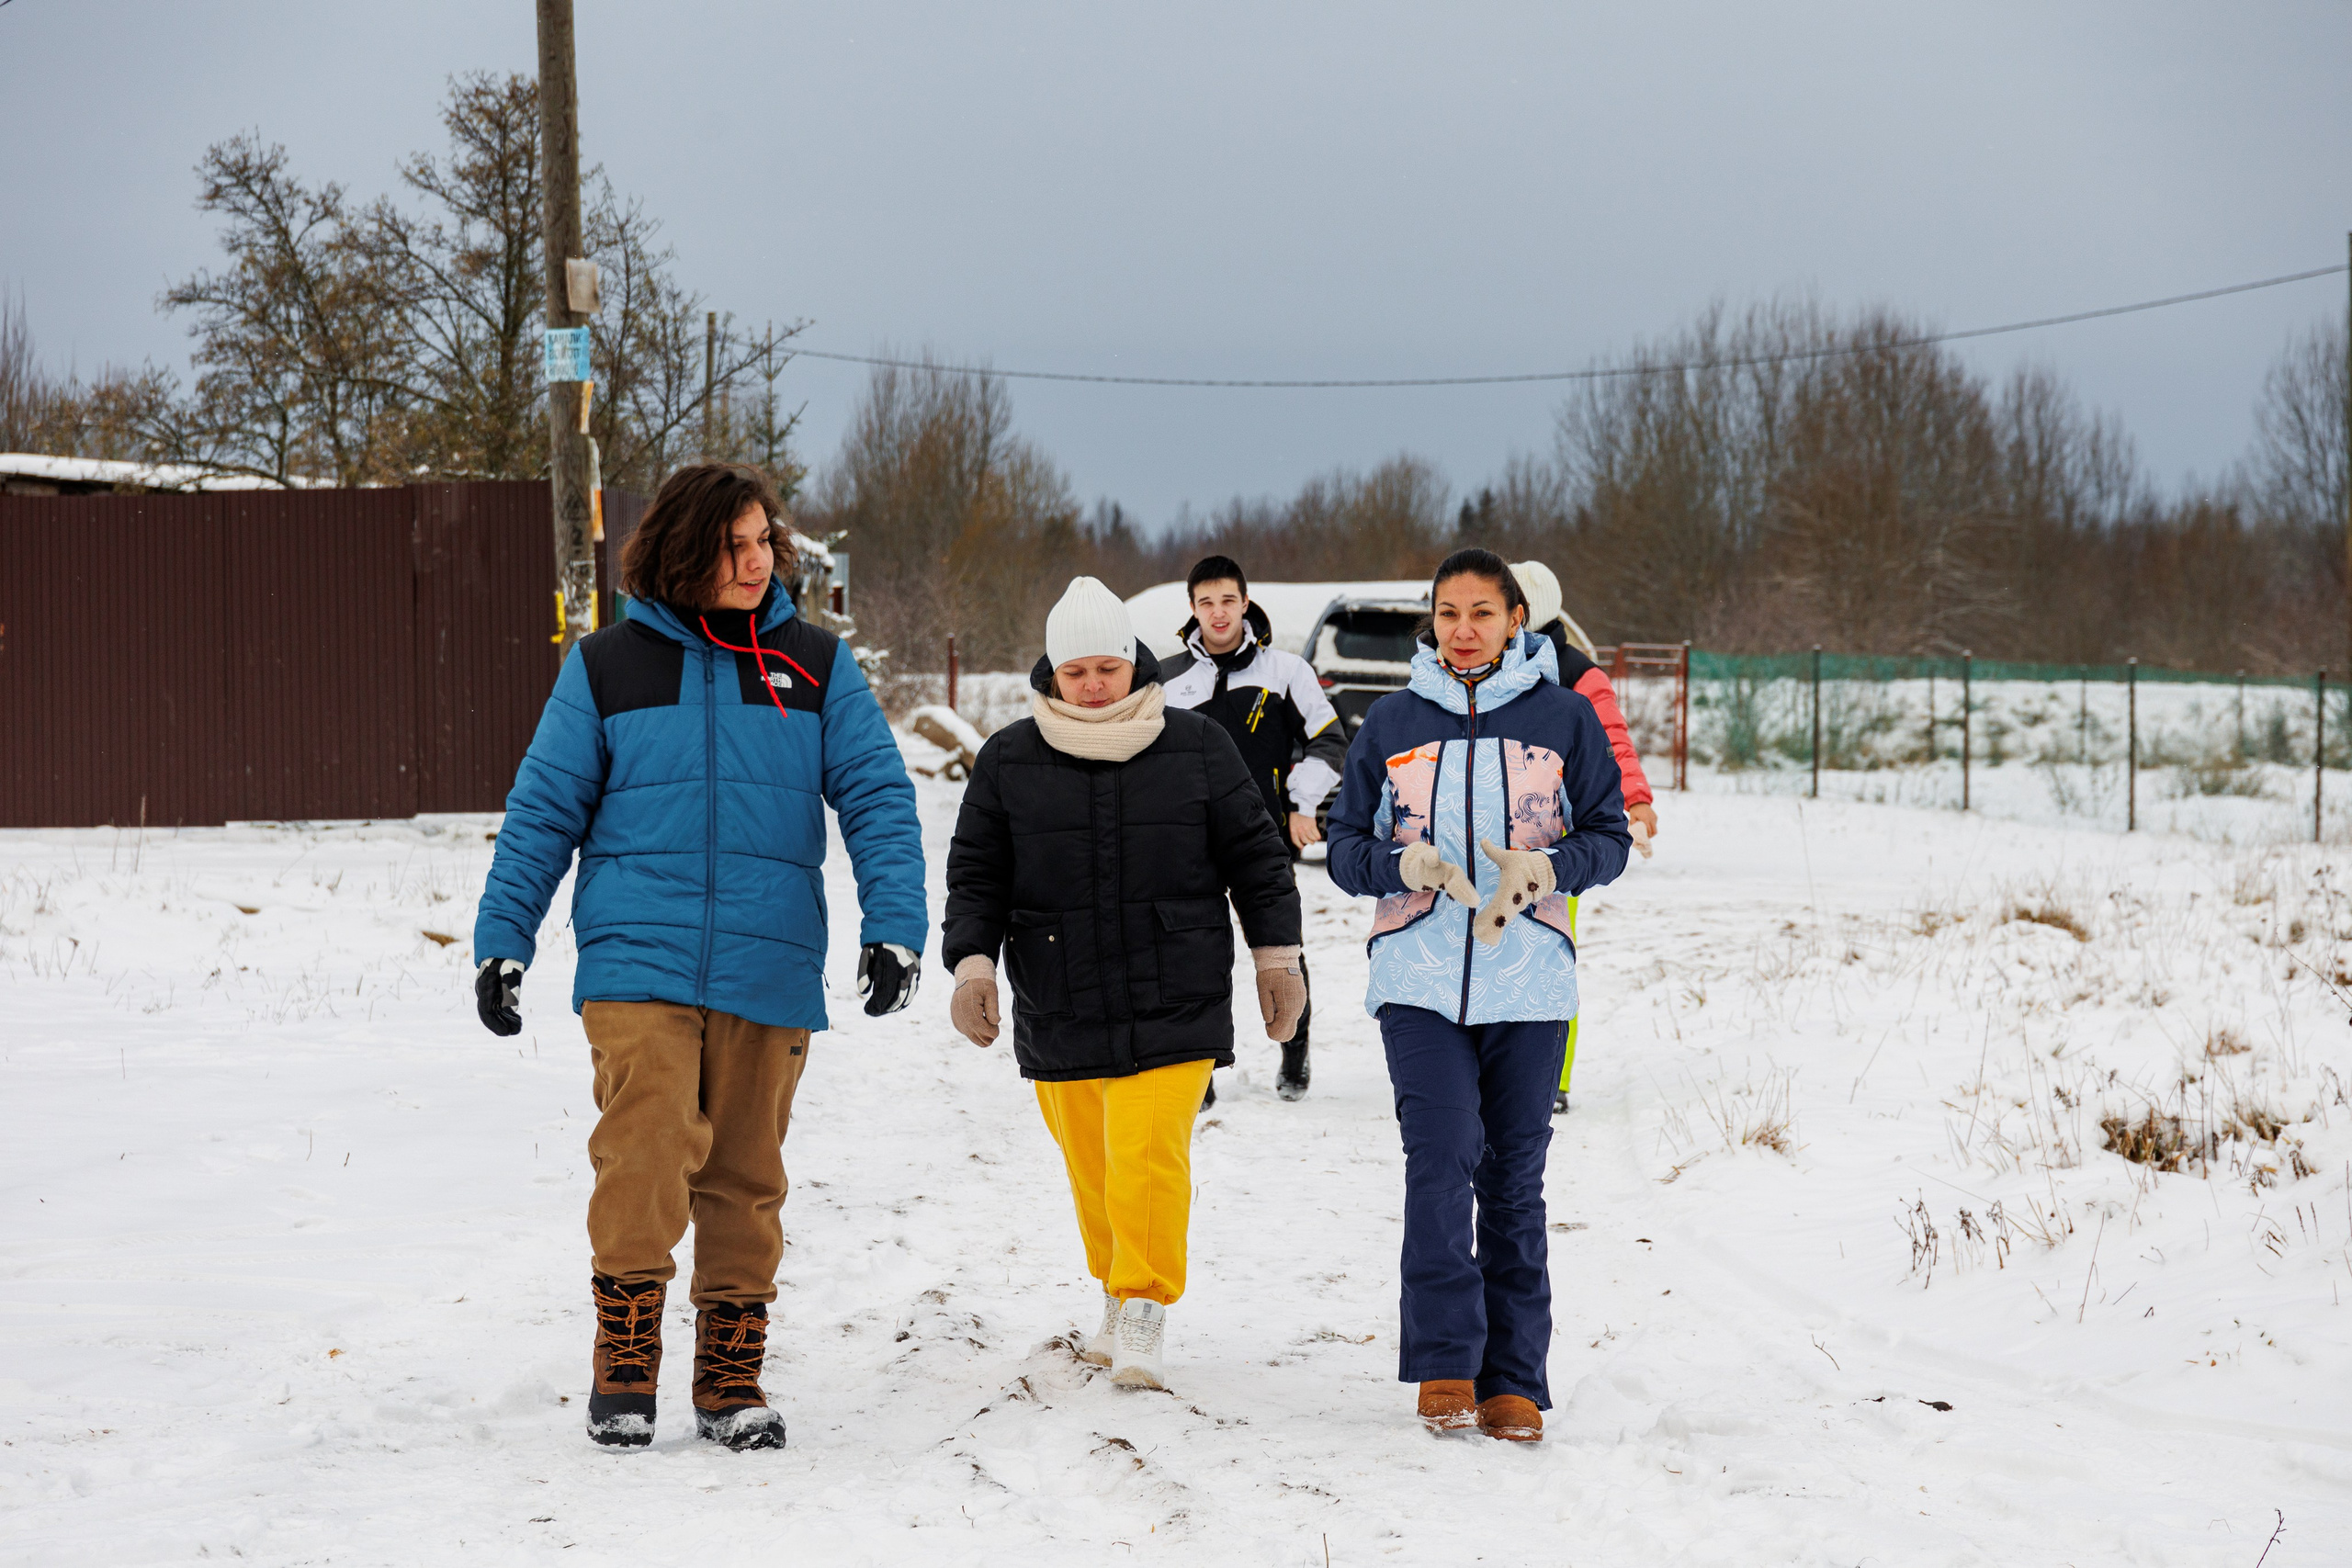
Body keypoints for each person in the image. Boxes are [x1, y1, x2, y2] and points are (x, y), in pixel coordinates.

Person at [471, 463, 926, 1452]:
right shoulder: (607, 666)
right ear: (683, 552)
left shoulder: (816, 664)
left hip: (770, 955)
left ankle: (729, 1374)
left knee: (746, 1173)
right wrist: (504, 938)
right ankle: (625, 1357)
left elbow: (878, 795)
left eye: (764, 541)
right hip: (638, 952)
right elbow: (543, 809)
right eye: (733, 546)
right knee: (644, 1147)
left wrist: (894, 924)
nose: (757, 562)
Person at [942, 576, 1304, 1393]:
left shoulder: (1198, 744)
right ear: (1052, 672)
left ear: (1135, 663)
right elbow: (977, 874)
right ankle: (1114, 1285)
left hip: (1176, 986)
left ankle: (1143, 1303)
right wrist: (972, 965)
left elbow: (1257, 857)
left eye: (1108, 668)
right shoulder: (1009, 758)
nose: (1095, 686)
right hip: (1059, 991)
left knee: (1145, 1150)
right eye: (1076, 673)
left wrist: (1277, 957)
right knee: (1093, 1163)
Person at [1325, 547, 1631, 1443]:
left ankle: (1514, 1379)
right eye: (1448, 613)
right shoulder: (1392, 721)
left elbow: (1609, 836)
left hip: (1529, 980)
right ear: (1431, 619)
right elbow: (1343, 845)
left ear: (1515, 620)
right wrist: (1400, 865)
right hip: (1416, 978)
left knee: (1512, 1179)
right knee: (1441, 1154)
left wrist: (1550, 866)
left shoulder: (1564, 717)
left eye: (1482, 613)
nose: (1463, 630)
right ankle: (1446, 1362)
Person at [1157, 554, 1345, 1102]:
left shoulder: (1286, 672)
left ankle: (1294, 1053)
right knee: (1193, 956)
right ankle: (1198, 1068)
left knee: (1282, 951)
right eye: (1206, 602)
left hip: (1263, 841)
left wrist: (1301, 803)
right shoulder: (1166, 680)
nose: (1218, 613)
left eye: (1227, 601)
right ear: (1192, 609)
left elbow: (1329, 740)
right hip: (1188, 845)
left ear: (1245, 603)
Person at [1510, 559, 1659, 1116]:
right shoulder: (1490, 666)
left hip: (1558, 840)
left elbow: (1613, 742)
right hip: (1493, 832)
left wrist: (1636, 800)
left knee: (1549, 952)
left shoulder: (1577, 673)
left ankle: (1553, 1077)